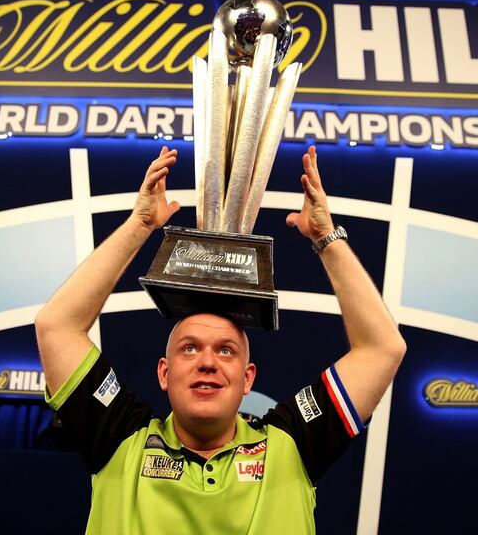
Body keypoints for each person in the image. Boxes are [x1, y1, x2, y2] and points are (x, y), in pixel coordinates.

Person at [35, 144, 406, 534]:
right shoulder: (118, 438)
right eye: (189, 348)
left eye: (226, 351)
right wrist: (139, 224)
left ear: (248, 378)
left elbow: (383, 349)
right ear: (164, 372)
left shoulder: (291, 444)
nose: (207, 361)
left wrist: (326, 237)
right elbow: (56, 326)